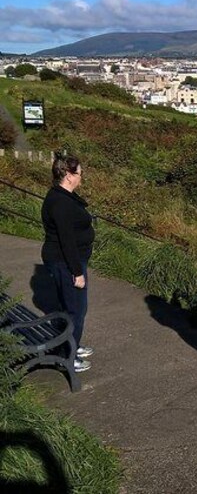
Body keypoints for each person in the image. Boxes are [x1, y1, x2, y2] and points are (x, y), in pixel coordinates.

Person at [41, 154, 95, 373]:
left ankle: (72, 345)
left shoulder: (61, 196)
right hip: (67, 263)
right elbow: (67, 240)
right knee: (76, 310)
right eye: (80, 173)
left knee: (70, 306)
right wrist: (77, 272)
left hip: (67, 261)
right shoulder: (61, 203)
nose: (82, 177)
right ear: (70, 175)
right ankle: (68, 357)